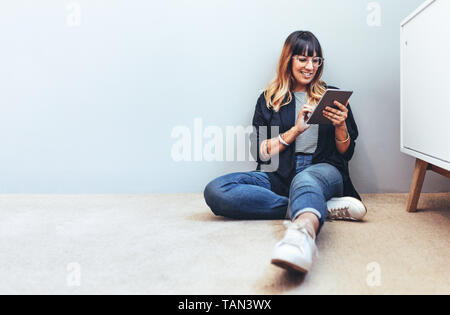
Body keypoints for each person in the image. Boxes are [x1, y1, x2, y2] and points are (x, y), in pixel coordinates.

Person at [203, 31, 367, 274]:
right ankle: (318, 206)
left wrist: (341, 125)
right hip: (278, 174)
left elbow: (346, 153)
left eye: (316, 60)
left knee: (305, 179)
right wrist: (294, 132)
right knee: (216, 190)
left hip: (323, 171)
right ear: (288, 60)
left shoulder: (331, 97)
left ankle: (302, 234)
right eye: (302, 59)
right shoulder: (270, 100)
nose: (310, 66)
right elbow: (261, 153)